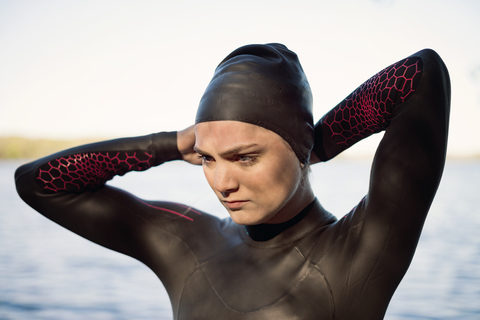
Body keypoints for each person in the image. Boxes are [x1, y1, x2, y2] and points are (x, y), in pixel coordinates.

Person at [15, 43, 450, 319]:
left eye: (245, 157)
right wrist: (167, 144)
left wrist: (311, 142)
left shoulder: (357, 254)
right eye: (207, 159)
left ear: (298, 146)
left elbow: (421, 76)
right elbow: (38, 183)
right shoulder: (186, 243)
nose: (222, 183)